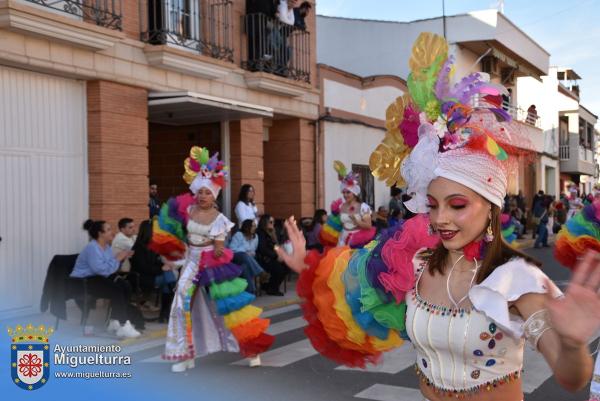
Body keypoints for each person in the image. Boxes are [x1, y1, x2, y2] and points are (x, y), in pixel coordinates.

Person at [274, 32, 597, 401]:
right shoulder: (416, 265)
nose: (441, 218)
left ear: (490, 207)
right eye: (432, 204)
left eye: (457, 205)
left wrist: (571, 344)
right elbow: (349, 283)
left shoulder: (514, 278)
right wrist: (307, 266)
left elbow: (571, 376)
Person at [149, 147, 273, 372]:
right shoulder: (187, 211)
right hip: (192, 261)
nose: (203, 196)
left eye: (207, 192)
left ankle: (251, 349)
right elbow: (178, 236)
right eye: (200, 192)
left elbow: (220, 242)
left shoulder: (220, 218)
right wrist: (173, 256)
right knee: (180, 304)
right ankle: (186, 354)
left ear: (214, 194)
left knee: (231, 306)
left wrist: (217, 245)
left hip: (214, 263)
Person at [71, 220, 140, 338]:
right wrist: (118, 259)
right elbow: (101, 270)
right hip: (84, 281)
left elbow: (110, 269)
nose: (112, 232)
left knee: (125, 286)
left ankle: (114, 321)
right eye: (108, 230)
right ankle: (123, 325)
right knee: (116, 290)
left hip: (98, 277)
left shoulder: (107, 247)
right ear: (100, 233)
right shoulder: (92, 248)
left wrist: (121, 258)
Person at [130, 220, 177, 323]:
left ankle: (165, 313)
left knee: (167, 279)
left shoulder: (152, 245)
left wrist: (164, 265)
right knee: (168, 279)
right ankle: (166, 312)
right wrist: (161, 268)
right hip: (143, 278)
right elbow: (143, 268)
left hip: (153, 276)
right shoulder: (138, 248)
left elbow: (156, 262)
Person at [333, 161, 374, 246]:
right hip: (342, 239)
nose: (345, 195)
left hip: (356, 240)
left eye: (348, 192)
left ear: (354, 193)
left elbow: (368, 226)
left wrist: (357, 221)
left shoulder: (364, 207)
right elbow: (341, 224)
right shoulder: (341, 206)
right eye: (343, 192)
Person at [229, 219, 264, 294]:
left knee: (245, 267)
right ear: (247, 227)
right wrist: (245, 251)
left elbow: (254, 250)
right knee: (244, 255)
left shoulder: (255, 237)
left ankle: (250, 291)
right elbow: (231, 249)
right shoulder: (239, 235)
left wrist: (249, 253)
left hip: (249, 260)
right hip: (236, 257)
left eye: (255, 226)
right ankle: (260, 273)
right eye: (253, 226)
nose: (255, 228)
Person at [256, 214, 288, 296]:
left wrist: (280, 253)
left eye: (273, 222)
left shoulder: (270, 232)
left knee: (287, 265)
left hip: (272, 257)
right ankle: (272, 288)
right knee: (279, 269)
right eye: (270, 222)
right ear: (265, 222)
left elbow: (275, 245)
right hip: (264, 258)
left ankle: (270, 286)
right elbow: (262, 249)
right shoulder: (260, 233)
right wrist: (276, 256)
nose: (272, 224)